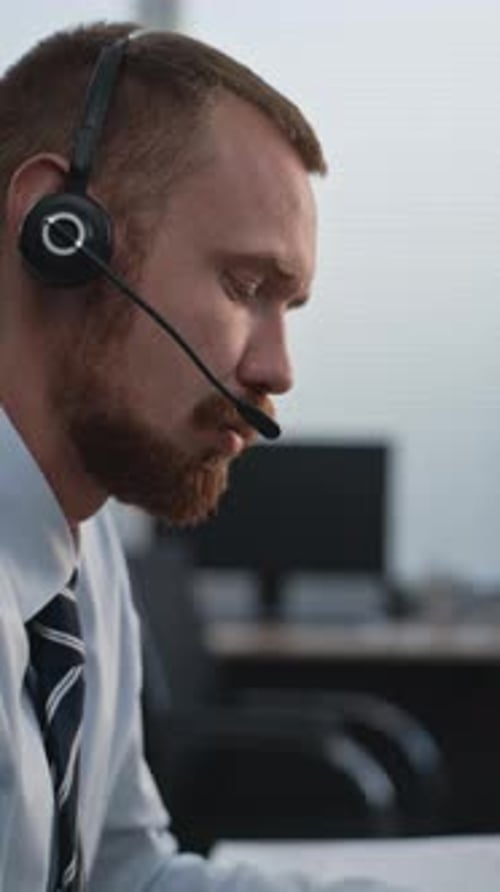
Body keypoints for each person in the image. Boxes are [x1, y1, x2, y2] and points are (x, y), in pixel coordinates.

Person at [0, 21, 411, 892]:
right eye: (244, 287)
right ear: (59, 233)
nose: (276, 371)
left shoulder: (79, 550)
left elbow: (126, 873)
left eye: (287, 306)